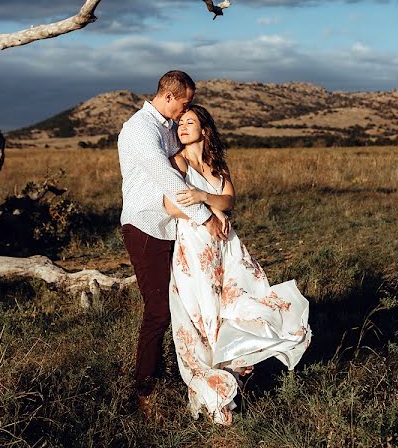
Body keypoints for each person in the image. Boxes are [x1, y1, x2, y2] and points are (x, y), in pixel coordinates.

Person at [164, 104, 311, 425]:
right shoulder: (176, 162)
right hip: (194, 247)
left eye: (190, 122)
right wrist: (208, 212)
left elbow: (229, 199)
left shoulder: (217, 166)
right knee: (201, 315)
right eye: (180, 124)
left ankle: (234, 373)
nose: (182, 128)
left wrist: (205, 199)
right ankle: (216, 395)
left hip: (225, 249)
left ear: (205, 130)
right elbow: (170, 206)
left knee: (235, 305)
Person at [117, 71, 228, 420]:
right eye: (184, 102)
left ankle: (173, 371)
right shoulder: (140, 129)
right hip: (145, 225)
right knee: (157, 310)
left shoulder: (166, 126)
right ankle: (143, 389)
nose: (186, 109)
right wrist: (205, 216)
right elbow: (165, 177)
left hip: (171, 227)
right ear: (169, 95)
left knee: (178, 305)